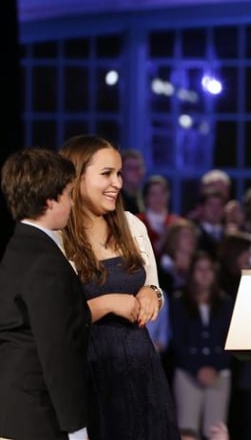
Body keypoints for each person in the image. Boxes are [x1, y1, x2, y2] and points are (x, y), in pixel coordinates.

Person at [59, 135, 180, 440]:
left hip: (141, 369)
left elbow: (154, 286)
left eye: (119, 173)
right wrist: (108, 303)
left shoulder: (132, 226)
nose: (117, 182)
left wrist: (151, 294)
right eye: (106, 174)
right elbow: (55, 318)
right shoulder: (58, 237)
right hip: (89, 375)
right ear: (76, 176)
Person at [0, 148, 91, 440]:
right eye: (69, 194)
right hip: (38, 416)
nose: (73, 203)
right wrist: (75, 427)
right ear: (50, 200)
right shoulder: (45, 262)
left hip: (16, 409)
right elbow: (57, 351)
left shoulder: (18, 247)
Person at [170, 251, 234, 440]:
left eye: (209, 269)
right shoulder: (179, 302)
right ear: (192, 272)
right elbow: (177, 341)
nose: (204, 274)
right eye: (200, 269)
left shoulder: (225, 302)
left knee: (216, 430)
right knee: (187, 430)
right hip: (188, 373)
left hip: (219, 373)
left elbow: (230, 340)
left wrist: (214, 367)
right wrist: (197, 369)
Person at [120, 148, 146, 214]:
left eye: (139, 167)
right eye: (130, 168)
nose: (136, 171)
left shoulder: (146, 197)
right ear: (121, 171)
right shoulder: (116, 199)